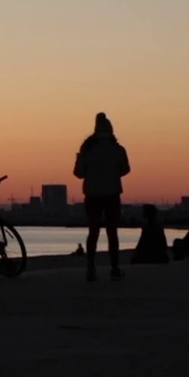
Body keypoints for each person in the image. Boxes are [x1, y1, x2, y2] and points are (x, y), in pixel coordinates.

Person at [74, 112, 132, 282]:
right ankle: (114, 267)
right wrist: (112, 173)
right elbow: (125, 169)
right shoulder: (118, 149)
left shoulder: (87, 148)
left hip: (92, 195)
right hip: (112, 193)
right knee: (112, 232)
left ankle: (91, 268)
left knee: (93, 231)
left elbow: (78, 172)